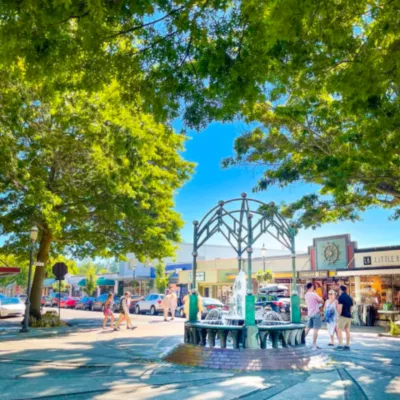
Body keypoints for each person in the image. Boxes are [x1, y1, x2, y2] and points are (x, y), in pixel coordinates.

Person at [304, 282, 324, 349]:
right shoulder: (314, 294)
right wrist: (318, 296)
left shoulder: (306, 295)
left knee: (308, 328)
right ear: (312, 287)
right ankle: (314, 344)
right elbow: (321, 301)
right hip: (316, 313)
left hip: (310, 313)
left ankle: (301, 340)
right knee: (316, 329)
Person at [336, 285, 353, 351]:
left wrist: (338, 316)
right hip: (348, 316)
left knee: (339, 330)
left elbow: (340, 308)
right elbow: (351, 308)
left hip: (342, 316)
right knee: (347, 330)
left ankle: (340, 344)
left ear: (340, 290)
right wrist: (349, 313)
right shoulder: (349, 297)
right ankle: (347, 345)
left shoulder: (340, 297)